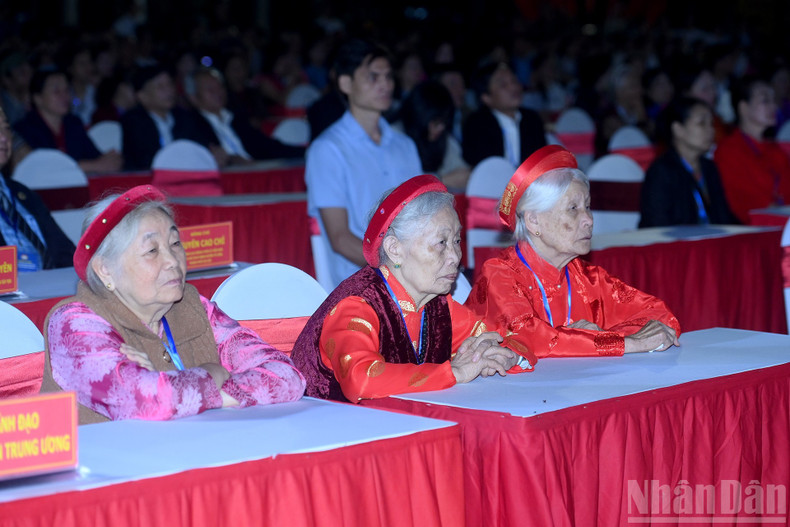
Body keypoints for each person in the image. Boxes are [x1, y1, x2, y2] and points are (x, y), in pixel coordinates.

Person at [41, 185, 305, 424]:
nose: (172, 260)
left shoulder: (194, 308)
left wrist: (201, 393)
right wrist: (211, 372)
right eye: (152, 251)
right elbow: (146, 401)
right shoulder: (74, 324)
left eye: (175, 243)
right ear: (105, 270)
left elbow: (287, 376)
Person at [291, 175, 534, 402]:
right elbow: (361, 379)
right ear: (395, 249)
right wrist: (454, 372)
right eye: (441, 243)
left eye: (457, 241)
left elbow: (507, 335)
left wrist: (498, 354)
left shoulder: (436, 307)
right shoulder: (358, 305)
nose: (455, 256)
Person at [466, 145, 681, 357]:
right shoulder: (500, 275)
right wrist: (625, 343)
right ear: (533, 220)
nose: (588, 220)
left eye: (587, 206)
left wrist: (599, 337)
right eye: (573, 209)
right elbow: (530, 339)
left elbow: (661, 315)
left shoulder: (588, 278)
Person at [306, 39, 422, 288]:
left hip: (410, 274)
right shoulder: (327, 149)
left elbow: (422, 217)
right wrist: (399, 270)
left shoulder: (405, 145)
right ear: (346, 83)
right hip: (359, 282)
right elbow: (339, 238)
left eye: (388, 77)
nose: (385, 85)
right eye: (373, 77)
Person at [640, 97, 737, 227]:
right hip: (677, 244)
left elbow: (724, 217)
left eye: (711, 123)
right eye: (701, 123)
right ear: (678, 129)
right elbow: (657, 223)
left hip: (710, 242)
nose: (711, 130)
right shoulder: (661, 172)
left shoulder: (709, 167)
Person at [0, 107, 74, 270]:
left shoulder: (22, 193)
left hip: (49, 288)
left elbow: (65, 251)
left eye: (6, 129)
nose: (4, 138)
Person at [189, 67, 305, 165]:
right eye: (211, 89)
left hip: (256, 173)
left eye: (220, 87)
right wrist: (232, 160)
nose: (218, 92)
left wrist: (304, 152)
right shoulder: (192, 125)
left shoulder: (235, 118)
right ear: (194, 98)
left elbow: (266, 145)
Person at [14, 69, 123, 173]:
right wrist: (93, 165)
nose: (64, 96)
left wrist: (110, 160)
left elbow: (95, 157)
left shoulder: (73, 123)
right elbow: (44, 167)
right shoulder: (24, 129)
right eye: (56, 92)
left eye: (67, 90)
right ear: (38, 98)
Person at [714, 75, 790, 223]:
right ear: (743, 107)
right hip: (754, 233)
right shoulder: (728, 151)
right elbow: (743, 203)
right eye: (765, 101)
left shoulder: (776, 150)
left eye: (773, 101)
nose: (774, 107)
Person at [463, 61, 546, 168]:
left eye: (514, 81)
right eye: (503, 85)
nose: (513, 87)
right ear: (486, 97)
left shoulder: (532, 119)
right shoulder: (476, 124)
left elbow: (542, 163)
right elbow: (480, 167)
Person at [120, 65, 200, 171]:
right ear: (142, 96)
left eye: (170, 84)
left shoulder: (185, 117)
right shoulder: (133, 121)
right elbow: (144, 160)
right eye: (160, 86)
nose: (169, 91)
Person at [398, 81, 470, 190]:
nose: (441, 128)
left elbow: (462, 173)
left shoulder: (444, 138)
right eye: (435, 123)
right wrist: (441, 180)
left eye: (443, 122)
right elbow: (401, 186)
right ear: (419, 117)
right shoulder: (395, 137)